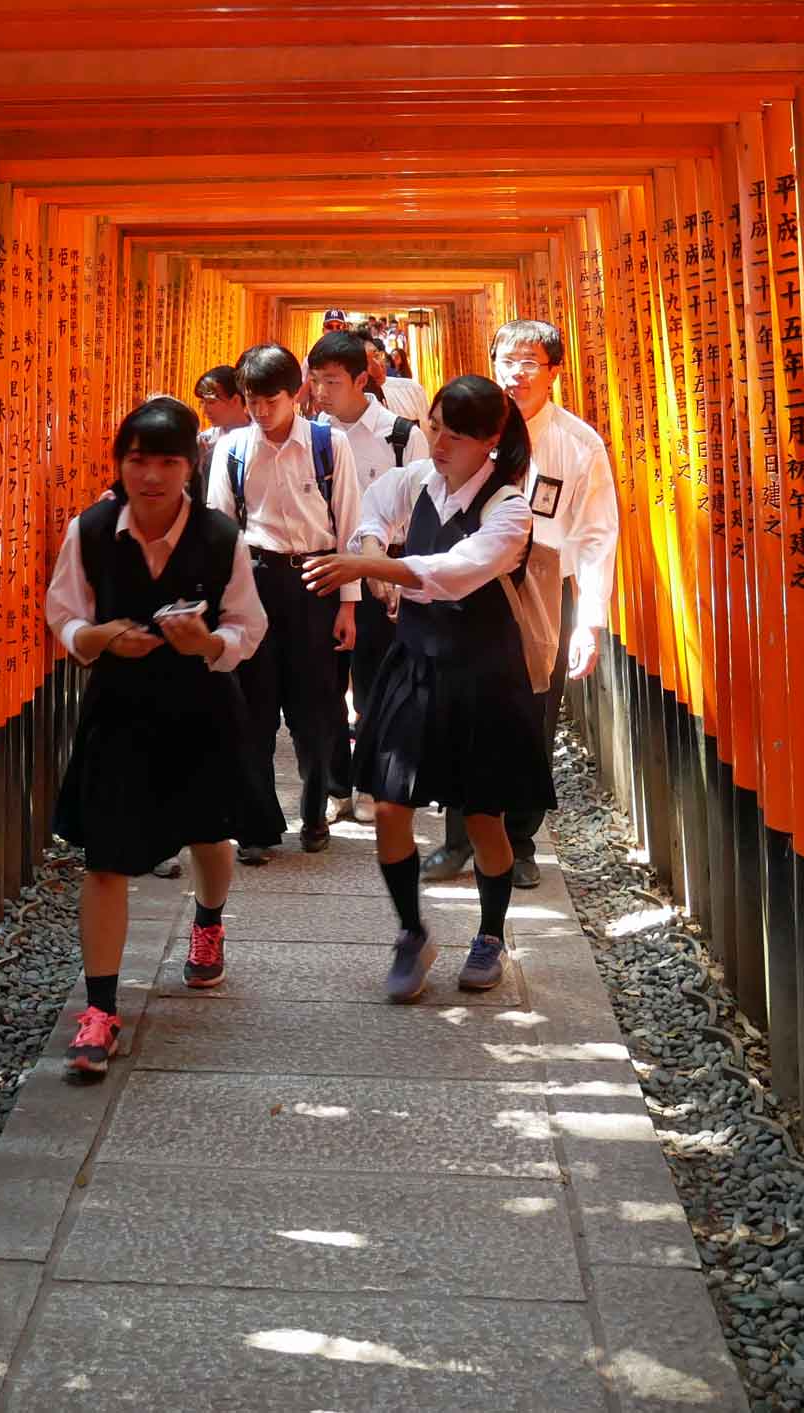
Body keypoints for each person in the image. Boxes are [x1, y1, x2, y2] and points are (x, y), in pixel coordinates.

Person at [304, 375, 554, 1000]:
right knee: (390, 804)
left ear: (492, 442)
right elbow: (372, 513)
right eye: (437, 426)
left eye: (458, 435)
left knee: (485, 818)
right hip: (415, 665)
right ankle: (412, 931)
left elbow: (455, 573)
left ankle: (491, 934)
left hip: (484, 677)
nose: (440, 443)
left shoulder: (510, 508)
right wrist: (367, 547)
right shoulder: (414, 480)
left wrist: (373, 566)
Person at [44, 397, 266, 1079]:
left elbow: (247, 629)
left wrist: (208, 642)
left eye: (167, 460)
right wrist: (99, 637)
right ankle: (101, 1007)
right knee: (106, 860)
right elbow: (64, 616)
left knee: (209, 833)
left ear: (189, 468)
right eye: (138, 459)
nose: (151, 475)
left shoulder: (220, 536)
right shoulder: (89, 530)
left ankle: (208, 918)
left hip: (200, 706)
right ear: (120, 463)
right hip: (119, 708)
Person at [423, 318, 618, 890]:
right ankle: (459, 838)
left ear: (555, 371)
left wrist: (590, 620)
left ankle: (522, 841)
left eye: (530, 361)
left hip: (541, 589)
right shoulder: (468, 430)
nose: (517, 373)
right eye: (507, 360)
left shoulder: (579, 443)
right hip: (470, 582)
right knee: (460, 712)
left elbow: (596, 535)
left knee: (532, 717)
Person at [205, 342, 363, 861]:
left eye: (270, 399)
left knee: (316, 711)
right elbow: (218, 530)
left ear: (294, 393)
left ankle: (314, 811)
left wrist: (348, 604)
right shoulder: (231, 450)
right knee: (253, 711)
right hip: (254, 583)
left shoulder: (327, 444)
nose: (261, 411)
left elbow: (351, 527)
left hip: (316, 582)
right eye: (252, 400)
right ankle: (255, 824)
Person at [304, 328, 430, 826]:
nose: (320, 392)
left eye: (331, 381)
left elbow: (424, 510)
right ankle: (337, 787)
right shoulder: (311, 434)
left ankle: (374, 781)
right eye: (314, 381)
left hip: (384, 577)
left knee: (379, 684)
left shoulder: (401, 435)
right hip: (330, 573)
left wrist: (403, 577)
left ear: (362, 379)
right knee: (324, 686)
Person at [364, 334, 428, 422]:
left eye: (377, 356)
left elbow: (427, 432)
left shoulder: (411, 389)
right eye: (366, 363)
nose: (378, 366)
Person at [193, 365, 246, 464]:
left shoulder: (261, 437)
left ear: (235, 400)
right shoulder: (204, 443)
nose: (205, 411)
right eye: (202, 403)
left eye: (211, 402)